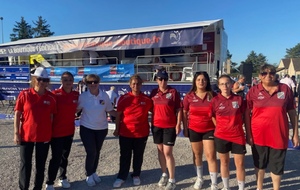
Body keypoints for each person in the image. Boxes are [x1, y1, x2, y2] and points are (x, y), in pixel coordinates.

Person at [245, 64, 299, 190]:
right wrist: (248, 133)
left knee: (277, 165)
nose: (268, 75)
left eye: (271, 73)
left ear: (276, 74)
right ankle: (259, 188)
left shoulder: (285, 89)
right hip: (258, 134)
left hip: (279, 134)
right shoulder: (253, 91)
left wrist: (295, 134)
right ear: (259, 76)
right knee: (259, 163)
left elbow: (292, 112)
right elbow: (247, 113)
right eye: (264, 73)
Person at [14, 67, 56, 190]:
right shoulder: (24, 94)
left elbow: (52, 117)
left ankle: (37, 188)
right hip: (26, 136)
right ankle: (24, 188)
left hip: (44, 136)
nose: (42, 82)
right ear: (34, 79)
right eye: (40, 79)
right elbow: (17, 114)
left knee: (40, 165)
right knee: (25, 165)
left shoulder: (51, 97)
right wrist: (16, 133)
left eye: (45, 80)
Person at [112, 74, 153, 188]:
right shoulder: (124, 98)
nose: (136, 86)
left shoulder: (146, 99)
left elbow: (155, 111)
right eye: (133, 83)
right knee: (125, 156)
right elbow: (119, 115)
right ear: (130, 85)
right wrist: (116, 129)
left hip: (141, 133)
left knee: (138, 155)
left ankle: (136, 175)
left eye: (138, 83)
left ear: (141, 85)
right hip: (126, 133)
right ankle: (121, 176)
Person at [77, 74, 116, 187]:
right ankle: (89, 174)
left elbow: (110, 111)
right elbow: (75, 110)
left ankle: (93, 171)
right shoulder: (83, 97)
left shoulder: (104, 96)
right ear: (87, 84)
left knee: (97, 151)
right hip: (86, 128)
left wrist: (123, 115)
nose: (93, 84)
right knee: (91, 151)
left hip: (101, 129)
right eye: (90, 82)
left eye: (95, 82)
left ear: (99, 82)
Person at [182, 71, 218, 190]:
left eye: (203, 80)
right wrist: (185, 128)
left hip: (210, 129)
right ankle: (200, 178)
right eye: (198, 80)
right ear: (195, 82)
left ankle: (214, 183)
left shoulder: (213, 95)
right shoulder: (189, 96)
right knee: (197, 154)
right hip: (194, 129)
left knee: (210, 155)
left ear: (207, 81)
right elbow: (184, 112)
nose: (201, 82)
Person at [211, 74, 246, 190]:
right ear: (219, 86)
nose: (225, 86)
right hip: (221, 136)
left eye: (227, 83)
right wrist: (220, 127)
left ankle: (241, 188)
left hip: (237, 136)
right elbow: (212, 116)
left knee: (240, 164)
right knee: (224, 163)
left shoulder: (239, 99)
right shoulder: (215, 100)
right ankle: (226, 187)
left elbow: (244, 115)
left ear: (231, 84)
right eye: (222, 84)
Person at [45, 72, 79, 190]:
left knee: (65, 157)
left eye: (70, 80)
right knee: (56, 157)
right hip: (56, 133)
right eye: (65, 80)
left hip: (69, 131)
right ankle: (49, 182)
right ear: (61, 81)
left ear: (73, 81)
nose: (68, 82)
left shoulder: (76, 95)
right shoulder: (55, 94)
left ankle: (62, 177)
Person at [149, 70, 182, 190]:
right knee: (160, 151)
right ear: (156, 80)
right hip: (156, 126)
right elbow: (148, 108)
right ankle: (164, 174)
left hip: (169, 126)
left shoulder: (173, 92)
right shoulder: (153, 92)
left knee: (168, 152)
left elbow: (179, 109)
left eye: (165, 79)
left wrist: (178, 124)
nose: (163, 81)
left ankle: (172, 180)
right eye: (160, 79)